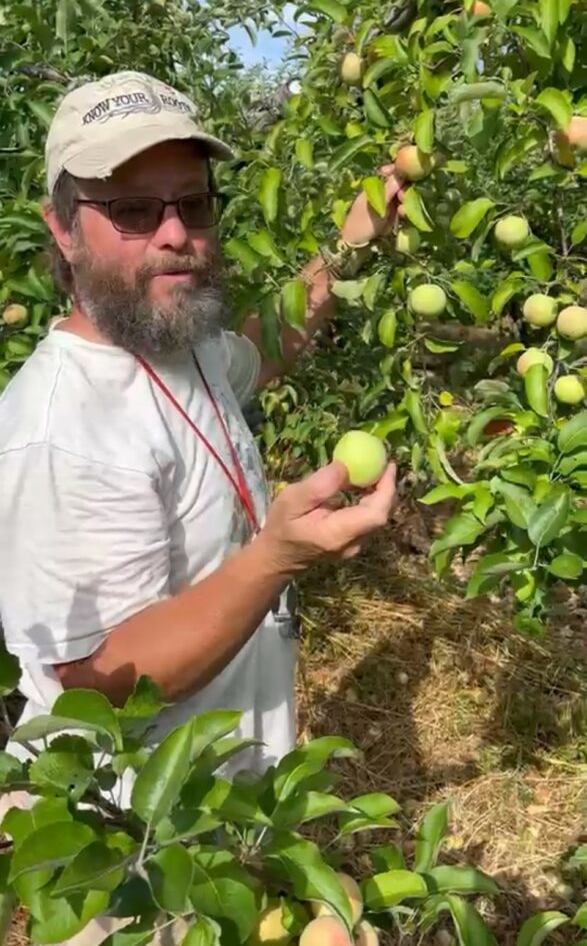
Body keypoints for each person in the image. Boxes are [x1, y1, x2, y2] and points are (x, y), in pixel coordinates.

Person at [0, 70, 401, 793]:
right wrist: (275, 556)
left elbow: (267, 346)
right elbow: (97, 680)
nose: (176, 233)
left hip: (225, 803)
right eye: (132, 211)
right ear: (61, 229)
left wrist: (348, 246)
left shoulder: (180, 346)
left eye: (193, 203)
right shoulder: (59, 429)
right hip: (141, 841)